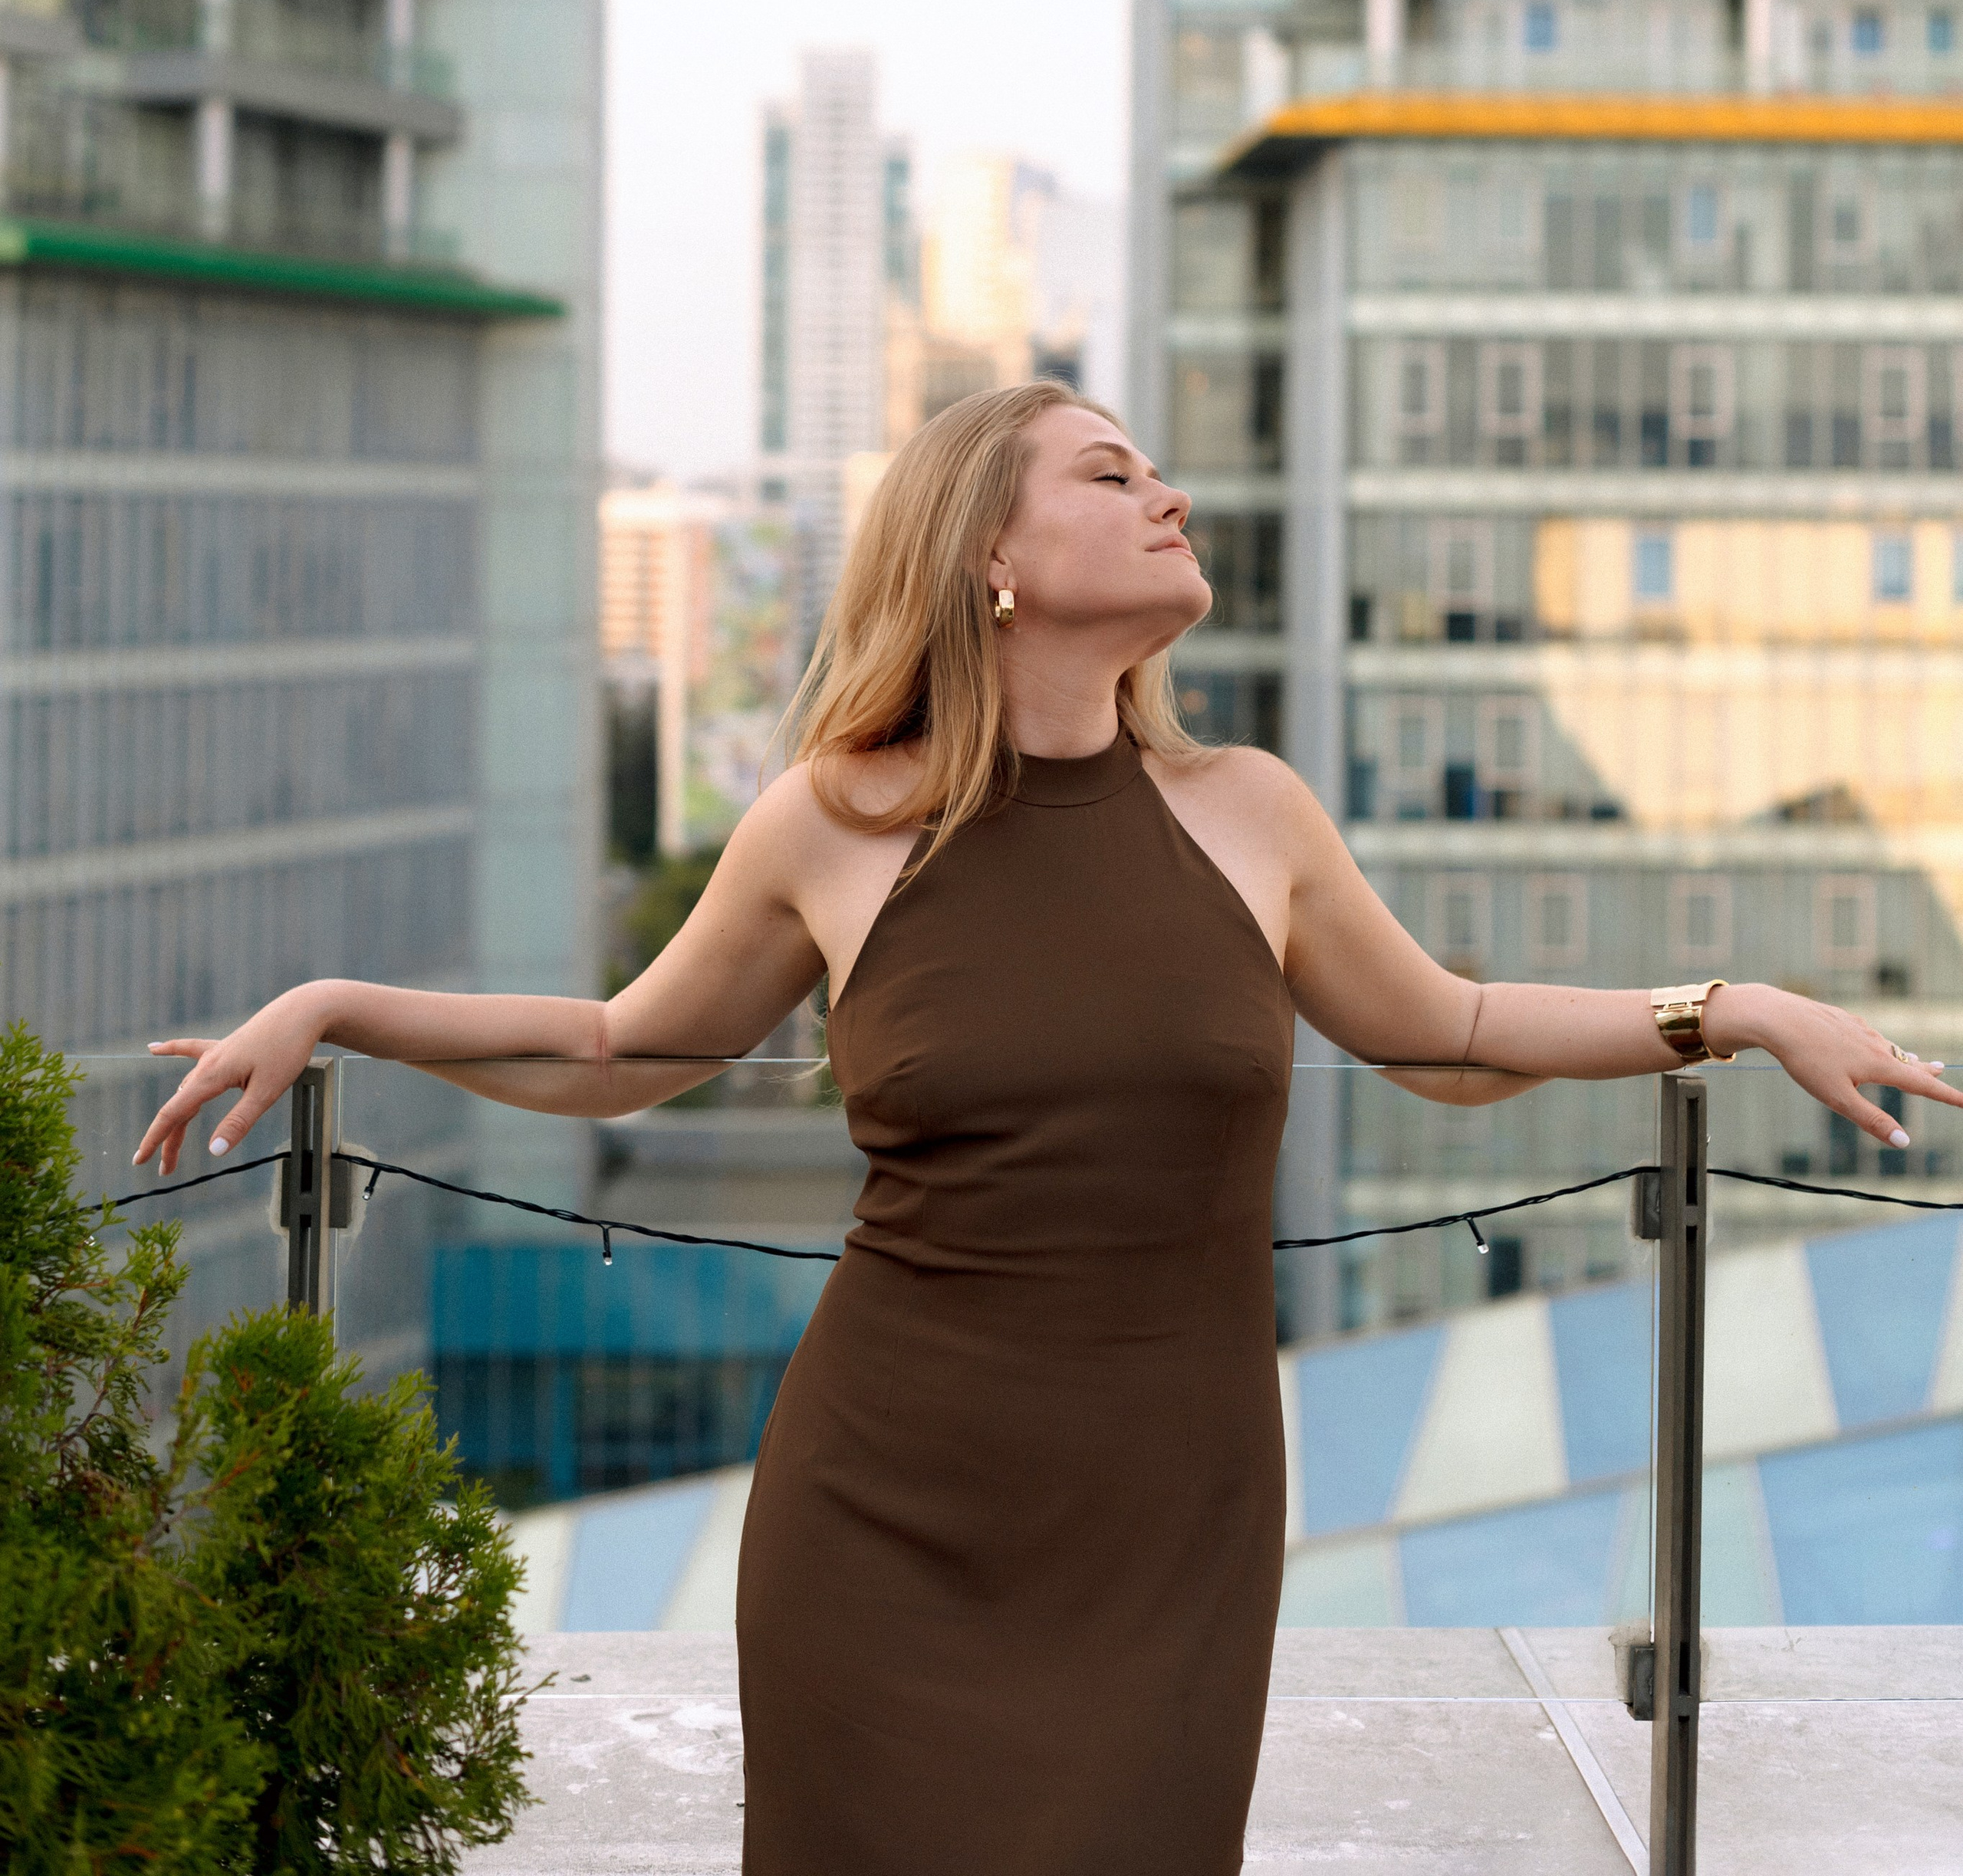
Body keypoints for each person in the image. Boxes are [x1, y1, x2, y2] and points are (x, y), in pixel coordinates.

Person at [136, 382, 1957, 1874]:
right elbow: (622, 1048)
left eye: (1157, 471)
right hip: (881, 1509)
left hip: (1173, 1518)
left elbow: (1453, 1035)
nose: (1166, 495)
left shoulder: (1249, 811)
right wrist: (335, 1013)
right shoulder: (830, 823)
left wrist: (1725, 1008)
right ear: (988, 554)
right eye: (1113, 471)